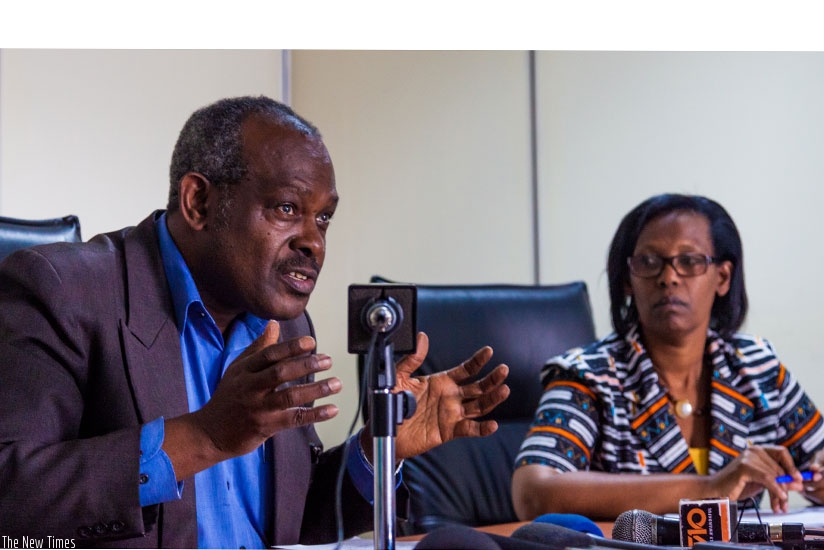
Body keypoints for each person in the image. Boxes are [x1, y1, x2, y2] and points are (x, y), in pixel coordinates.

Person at [0, 96, 510, 548]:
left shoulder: (284, 323)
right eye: (287, 208)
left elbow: (291, 518)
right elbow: (11, 499)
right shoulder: (63, 290)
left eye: (324, 218)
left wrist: (378, 450)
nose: (314, 242)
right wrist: (204, 436)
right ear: (199, 202)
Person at [511, 193, 824, 521]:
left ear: (722, 277)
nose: (669, 277)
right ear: (628, 280)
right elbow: (534, 493)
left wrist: (817, 479)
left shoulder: (756, 368)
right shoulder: (588, 376)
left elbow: (818, 458)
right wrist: (710, 488)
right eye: (648, 262)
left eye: (689, 261)